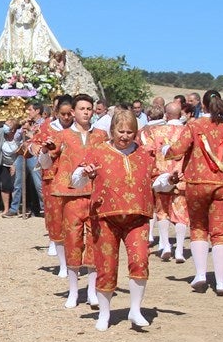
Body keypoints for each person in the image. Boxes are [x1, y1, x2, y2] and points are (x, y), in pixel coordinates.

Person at [166, 90, 223, 296]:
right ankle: (222, 282)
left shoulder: (194, 126)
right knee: (221, 231)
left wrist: (165, 150)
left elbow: (177, 150)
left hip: (197, 183)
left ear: (204, 106)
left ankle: (200, 275)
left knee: (199, 227)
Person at [74, 109, 155, 330]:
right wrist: (84, 173)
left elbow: (157, 181)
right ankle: (104, 313)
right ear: (112, 130)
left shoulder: (145, 154)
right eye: (121, 131)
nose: (125, 136)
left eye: (130, 132)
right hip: (104, 218)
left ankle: (135, 310)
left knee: (140, 261)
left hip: (137, 218)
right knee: (106, 266)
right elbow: (76, 179)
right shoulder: (97, 151)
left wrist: (170, 178)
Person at [38, 93, 108, 308]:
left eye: (89, 108)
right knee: (73, 241)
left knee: (94, 242)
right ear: (74, 112)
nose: (86, 112)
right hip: (70, 196)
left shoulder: (102, 136)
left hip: (95, 196)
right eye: (82, 109)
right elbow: (47, 163)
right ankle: (73, 290)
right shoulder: (63, 136)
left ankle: (93, 290)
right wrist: (43, 151)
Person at [140, 99, 189, 262]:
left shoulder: (157, 131)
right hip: (182, 176)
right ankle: (180, 249)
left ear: (166, 115)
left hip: (162, 177)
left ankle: (166, 244)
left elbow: (147, 150)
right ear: (180, 113)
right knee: (181, 215)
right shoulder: (187, 131)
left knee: (162, 213)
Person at [30, 95, 73, 275]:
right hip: (52, 177)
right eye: (62, 113)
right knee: (55, 217)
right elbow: (34, 146)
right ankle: (61, 257)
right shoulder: (46, 128)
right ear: (56, 113)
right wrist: (41, 150)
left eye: (69, 113)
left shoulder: (81, 130)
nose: (66, 117)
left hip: (74, 179)